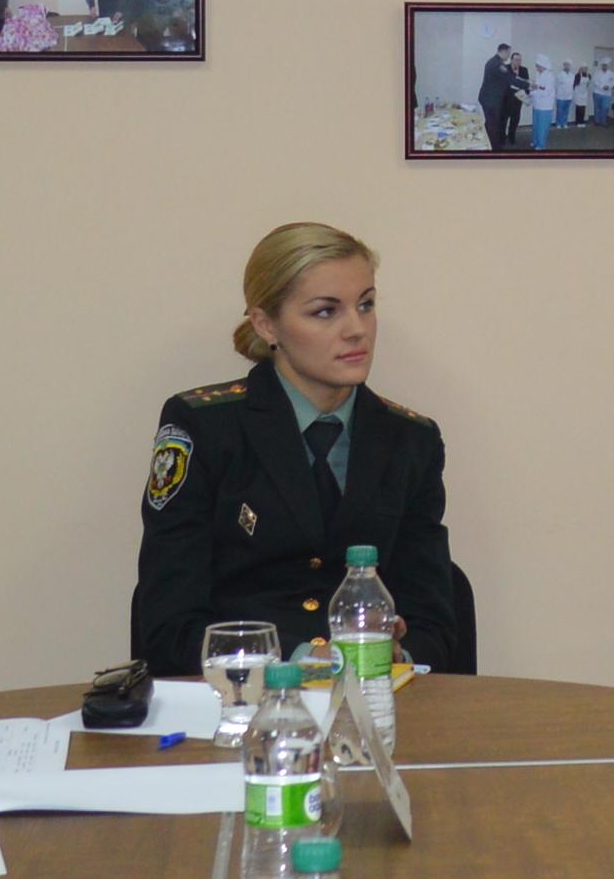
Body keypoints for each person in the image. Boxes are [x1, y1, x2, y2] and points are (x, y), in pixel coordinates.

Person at [128, 222, 475, 683]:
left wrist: (397, 654)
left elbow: (436, 624)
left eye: (366, 305)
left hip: (379, 703)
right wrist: (301, 662)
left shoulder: (410, 440)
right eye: (325, 312)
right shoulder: (206, 427)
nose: (357, 330)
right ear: (266, 324)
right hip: (241, 702)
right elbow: (168, 626)